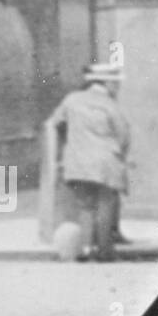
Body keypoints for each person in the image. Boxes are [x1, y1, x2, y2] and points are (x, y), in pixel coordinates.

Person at [46, 63, 131, 262]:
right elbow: (124, 135)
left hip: (78, 163)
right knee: (105, 206)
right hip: (106, 164)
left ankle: (84, 250)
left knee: (85, 206)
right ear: (106, 83)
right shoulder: (111, 105)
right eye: (115, 83)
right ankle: (104, 252)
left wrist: (69, 144)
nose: (117, 87)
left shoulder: (71, 100)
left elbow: (55, 122)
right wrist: (119, 154)